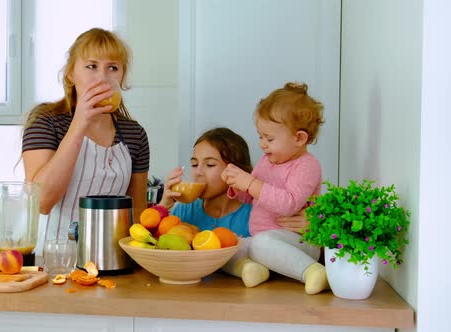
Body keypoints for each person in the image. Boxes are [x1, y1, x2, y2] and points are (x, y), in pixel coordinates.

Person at [22, 28, 150, 241]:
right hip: (50, 258)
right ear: (71, 74)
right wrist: (80, 123)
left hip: (111, 258)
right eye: (91, 66)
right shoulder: (46, 121)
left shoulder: (134, 134)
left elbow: (136, 214)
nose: (102, 77)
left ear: (122, 76)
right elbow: (42, 202)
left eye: (113, 68)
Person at [221, 82, 328, 294]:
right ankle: (252, 269)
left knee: (261, 243)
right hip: (266, 242)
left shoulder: (306, 165)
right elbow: (253, 197)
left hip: (298, 243)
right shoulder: (267, 161)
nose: (262, 144)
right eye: (260, 136)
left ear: (299, 138)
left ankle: (312, 271)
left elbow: (289, 204)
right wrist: (237, 185)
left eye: (269, 138)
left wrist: (251, 183)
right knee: (226, 246)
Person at [159, 127, 270, 287]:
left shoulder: (256, 213)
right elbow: (156, 246)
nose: (198, 172)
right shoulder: (183, 209)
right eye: (194, 164)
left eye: (210, 165)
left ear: (238, 171)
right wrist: (164, 206)